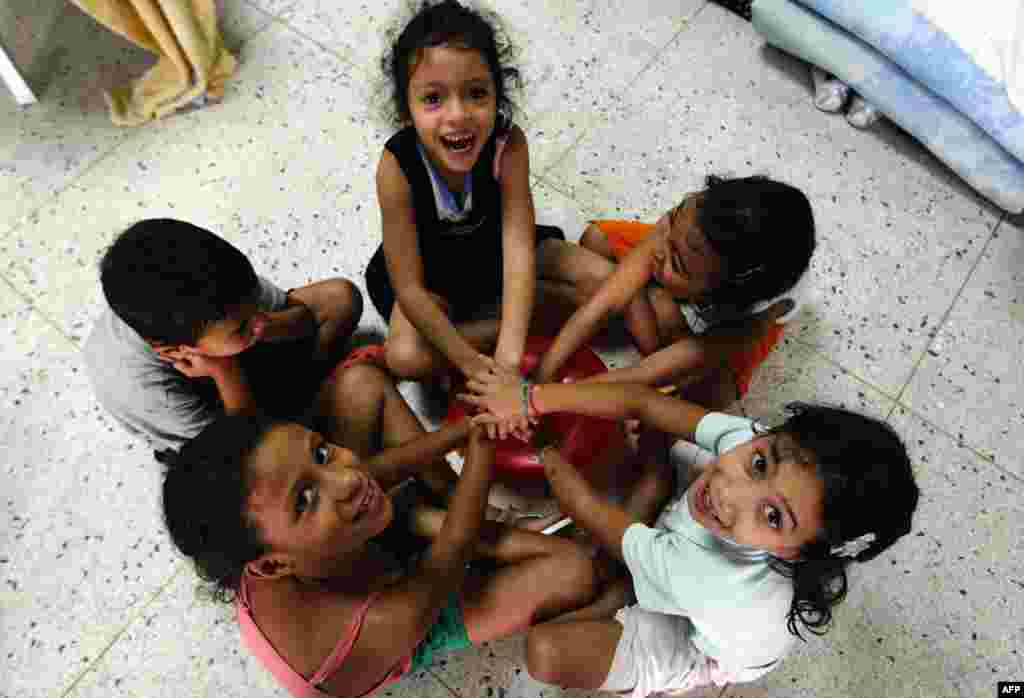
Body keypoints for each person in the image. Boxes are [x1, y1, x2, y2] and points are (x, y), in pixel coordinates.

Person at [462, 378, 920, 697]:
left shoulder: (717, 581)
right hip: (693, 575)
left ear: (796, 552)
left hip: (707, 642)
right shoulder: (763, 443)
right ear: (773, 437)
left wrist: (542, 447)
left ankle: (671, 665)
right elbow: (642, 403)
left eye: (773, 516)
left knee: (546, 649)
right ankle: (646, 560)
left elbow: (585, 507)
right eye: (758, 465)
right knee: (661, 430)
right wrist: (530, 397)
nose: (727, 492)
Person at [162, 411, 602, 698]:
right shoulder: (380, 623)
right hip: (401, 620)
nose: (346, 480)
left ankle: (426, 514)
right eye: (305, 499)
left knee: (359, 386)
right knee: (576, 569)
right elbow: (454, 548)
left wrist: (463, 428)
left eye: (321, 452)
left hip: (354, 559)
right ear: (273, 565)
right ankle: (439, 516)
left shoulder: (284, 536)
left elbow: (376, 471)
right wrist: (482, 450)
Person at [365, 0, 566, 383]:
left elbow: (518, 248)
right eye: (433, 98)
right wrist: (472, 363)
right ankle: (541, 314)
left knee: (597, 275)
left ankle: (523, 316)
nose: (458, 115)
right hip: (431, 276)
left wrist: (508, 360)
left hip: (492, 251)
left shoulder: (509, 144)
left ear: (497, 94)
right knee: (405, 356)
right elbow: (409, 288)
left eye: (476, 93)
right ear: (405, 109)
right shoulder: (396, 165)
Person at [83, 218, 364, 460]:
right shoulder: (149, 392)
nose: (257, 317)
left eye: (255, 305)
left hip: (239, 364)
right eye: (242, 326)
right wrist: (223, 370)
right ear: (175, 351)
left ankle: (295, 410)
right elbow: (238, 451)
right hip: (214, 429)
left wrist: (264, 327)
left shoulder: (220, 287)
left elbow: (303, 320)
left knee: (340, 299)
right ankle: (297, 413)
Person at [535, 174, 816, 408]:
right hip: (692, 259)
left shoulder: (760, 314)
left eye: (677, 264)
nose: (657, 251)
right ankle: (661, 300)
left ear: (717, 292)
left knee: (710, 394)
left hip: (734, 320)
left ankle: (661, 309)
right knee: (596, 239)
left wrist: (547, 398)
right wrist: (543, 374)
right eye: (671, 219)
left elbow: (646, 373)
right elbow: (603, 304)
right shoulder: (689, 225)